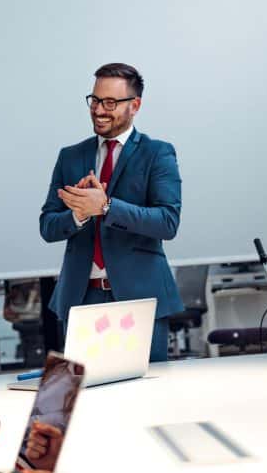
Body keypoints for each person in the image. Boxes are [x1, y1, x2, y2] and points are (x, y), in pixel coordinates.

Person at [39, 63, 183, 362]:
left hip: (140, 299)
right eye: (94, 100)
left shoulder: (157, 153)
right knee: (83, 398)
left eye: (110, 103)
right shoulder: (71, 156)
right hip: (81, 299)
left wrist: (106, 207)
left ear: (135, 105)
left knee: (146, 398)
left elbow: (167, 222)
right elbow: (48, 226)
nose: (99, 110)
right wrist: (79, 213)